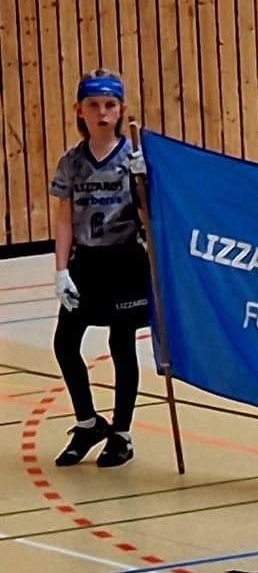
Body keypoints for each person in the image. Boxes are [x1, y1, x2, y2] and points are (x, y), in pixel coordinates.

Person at [49, 70, 149, 470]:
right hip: (87, 263)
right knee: (64, 343)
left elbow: (150, 215)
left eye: (110, 105)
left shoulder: (133, 157)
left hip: (125, 261)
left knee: (121, 345)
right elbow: (64, 219)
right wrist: (61, 271)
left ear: (121, 110)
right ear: (80, 110)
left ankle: (121, 433)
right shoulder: (72, 162)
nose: (102, 112)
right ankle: (88, 423)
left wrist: (145, 182)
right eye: (94, 105)